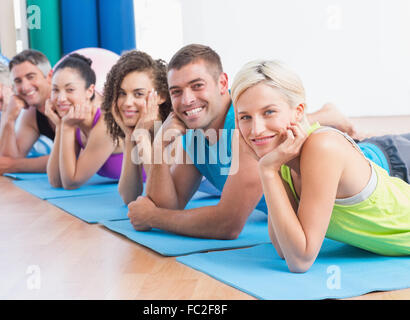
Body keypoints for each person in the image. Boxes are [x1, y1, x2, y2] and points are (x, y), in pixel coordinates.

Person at [127, 44, 365, 239]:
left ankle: (327, 115)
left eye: (197, 86)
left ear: (222, 84)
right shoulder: (194, 131)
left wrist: (153, 218)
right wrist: (158, 146)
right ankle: (327, 115)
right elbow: (169, 204)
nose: (187, 99)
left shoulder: (245, 129)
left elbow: (228, 224)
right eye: (176, 91)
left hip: (382, 168)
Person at [230, 59, 410, 272]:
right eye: (245, 117)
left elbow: (299, 261)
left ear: (298, 112)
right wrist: (269, 167)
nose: (256, 129)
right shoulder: (283, 158)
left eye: (269, 112)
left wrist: (267, 171)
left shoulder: (322, 147)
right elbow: (282, 248)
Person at [101, 50, 172, 204]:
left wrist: (140, 135)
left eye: (138, 94)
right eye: (121, 93)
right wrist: (130, 137)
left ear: (161, 96)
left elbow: (160, 197)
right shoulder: (143, 130)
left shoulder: (174, 129)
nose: (127, 102)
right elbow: (129, 196)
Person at [45, 53, 123, 189]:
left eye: (70, 90)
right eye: (55, 90)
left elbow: (71, 182)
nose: (61, 98)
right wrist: (60, 127)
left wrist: (67, 128)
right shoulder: (73, 121)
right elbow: (55, 180)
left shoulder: (106, 125)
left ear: (90, 91)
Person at [0, 58, 52, 172]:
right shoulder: (5, 111)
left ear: (8, 85)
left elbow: (6, 158)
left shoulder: (24, 107)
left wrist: (13, 164)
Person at [0, 49, 55, 174]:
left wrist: (15, 166)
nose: (25, 87)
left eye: (30, 77)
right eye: (18, 81)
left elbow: (70, 159)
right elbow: (6, 160)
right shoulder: (32, 113)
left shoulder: (66, 102)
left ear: (49, 76)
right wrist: (8, 118)